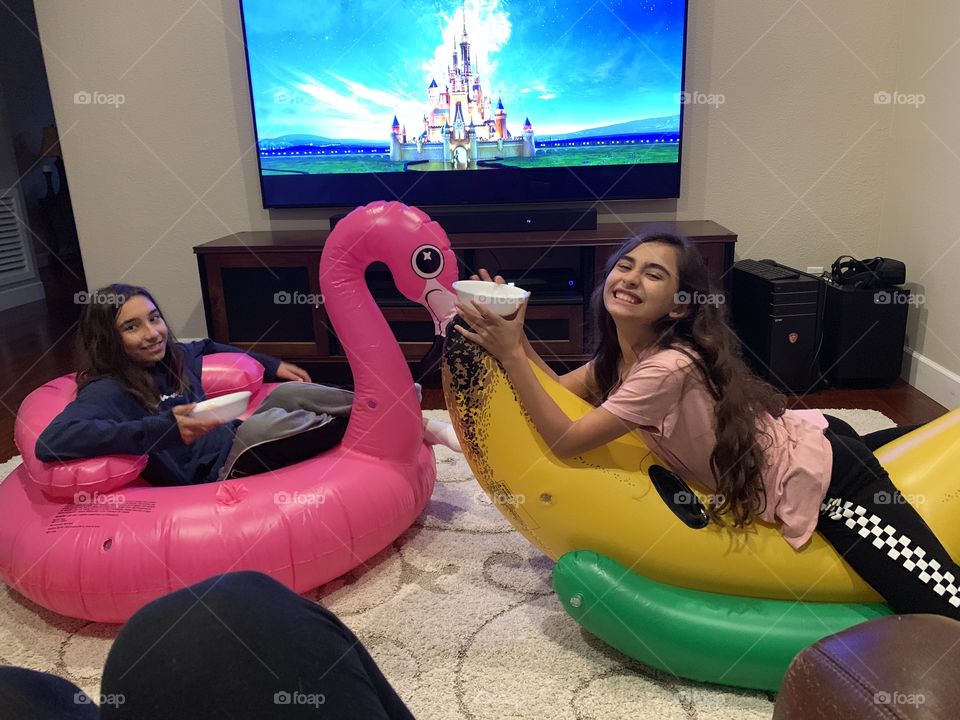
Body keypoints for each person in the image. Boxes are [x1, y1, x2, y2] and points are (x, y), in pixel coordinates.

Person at [453, 232, 960, 620]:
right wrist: (514, 336)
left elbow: (563, 440)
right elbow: (559, 397)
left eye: (653, 274)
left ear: (678, 304)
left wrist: (512, 352)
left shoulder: (667, 366)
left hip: (830, 480)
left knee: (941, 600)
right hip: (805, 432)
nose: (630, 277)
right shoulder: (621, 357)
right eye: (624, 266)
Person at [35, 284, 459, 487]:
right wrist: (164, 428)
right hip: (219, 469)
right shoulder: (109, 389)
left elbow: (209, 342)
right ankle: (408, 422)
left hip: (234, 435)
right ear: (110, 339)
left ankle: (409, 416)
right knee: (280, 419)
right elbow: (52, 441)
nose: (152, 333)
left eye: (154, 318)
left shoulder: (175, 357)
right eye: (132, 327)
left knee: (291, 395)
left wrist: (273, 366)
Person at [0, 571, 414, 719]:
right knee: (238, 613)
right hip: (213, 463)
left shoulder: (180, 377)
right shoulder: (107, 396)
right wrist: (163, 426)